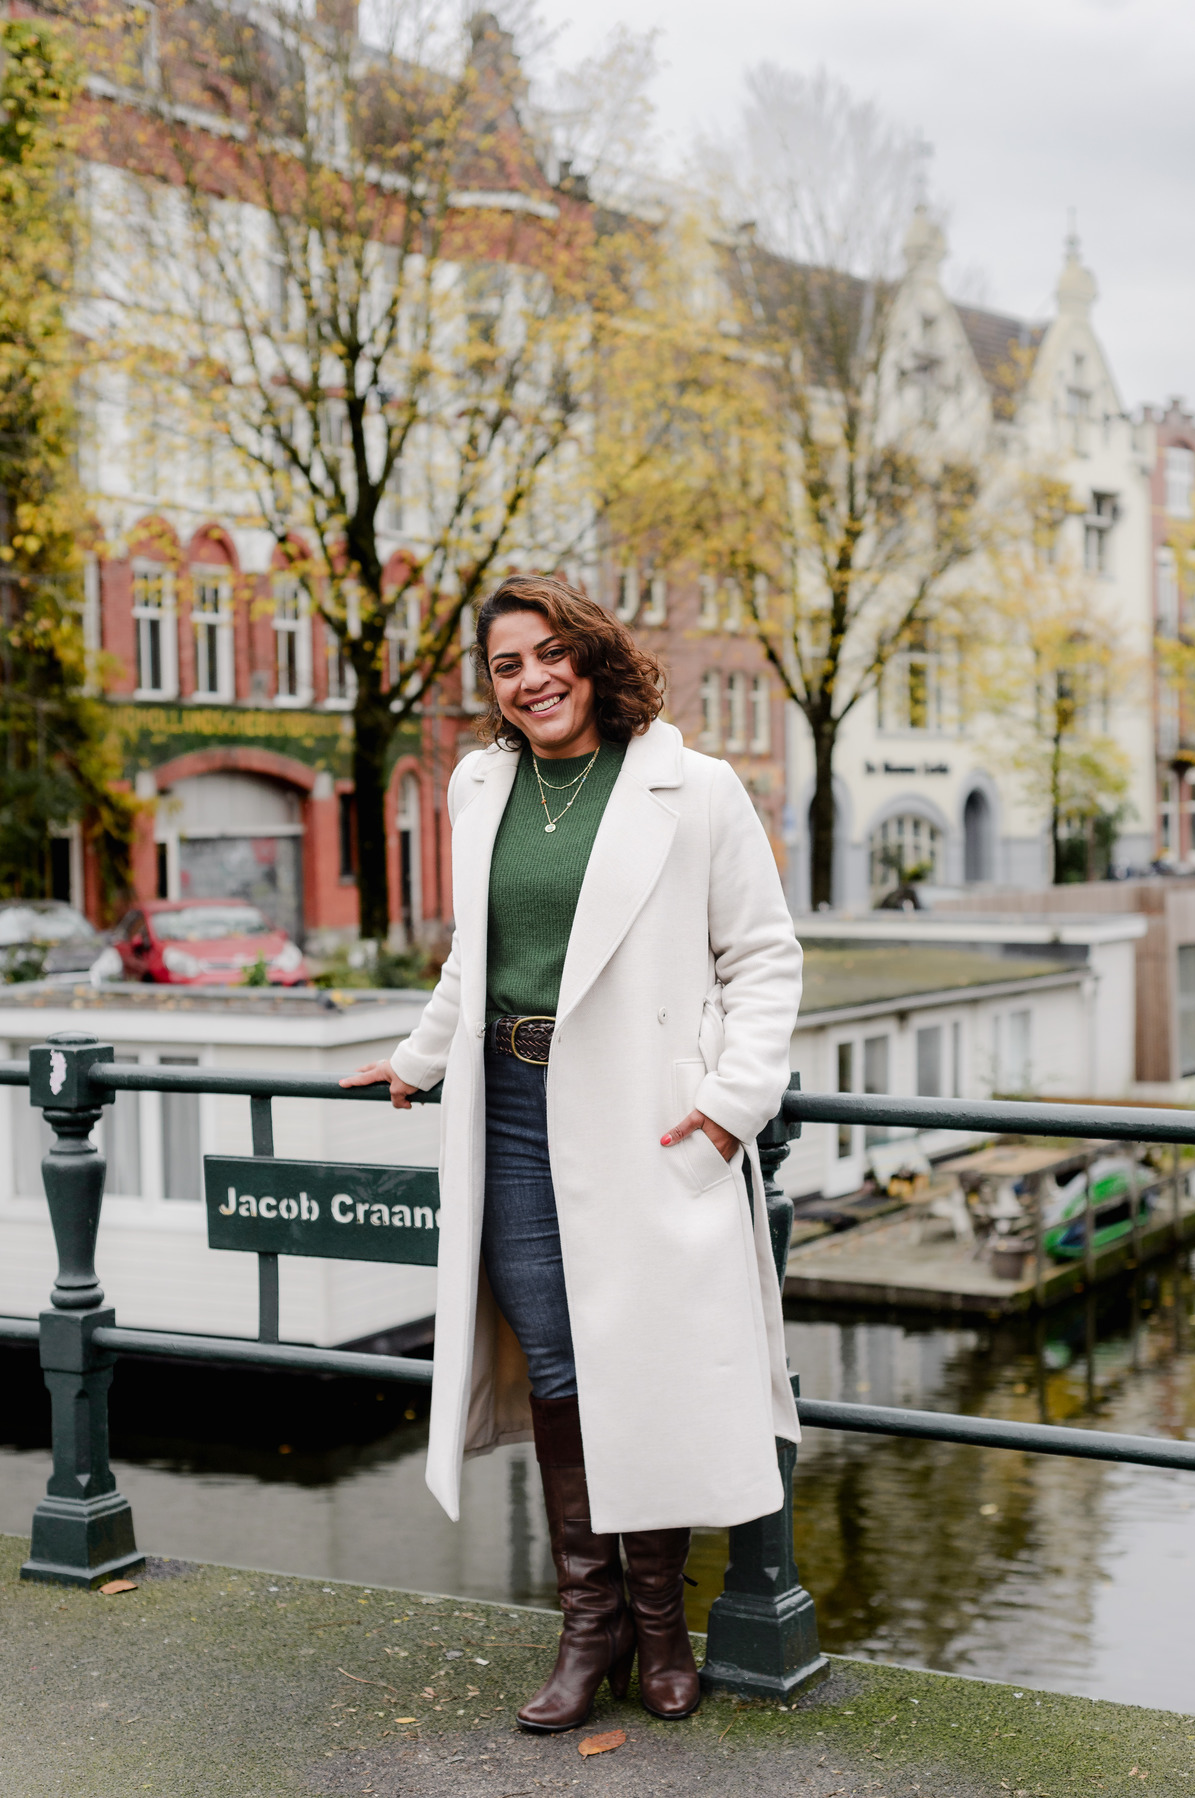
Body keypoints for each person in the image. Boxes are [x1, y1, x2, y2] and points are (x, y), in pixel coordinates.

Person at [342, 573, 803, 1733]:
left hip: (645, 1116)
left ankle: (660, 1626)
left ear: (593, 657)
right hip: (508, 1103)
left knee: (634, 1358)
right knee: (559, 1361)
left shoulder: (690, 789)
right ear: (490, 688)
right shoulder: (481, 782)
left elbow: (763, 955)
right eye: (507, 666)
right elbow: (472, 952)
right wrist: (417, 1056)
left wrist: (732, 1104)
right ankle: (587, 1624)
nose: (533, 679)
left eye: (551, 655)